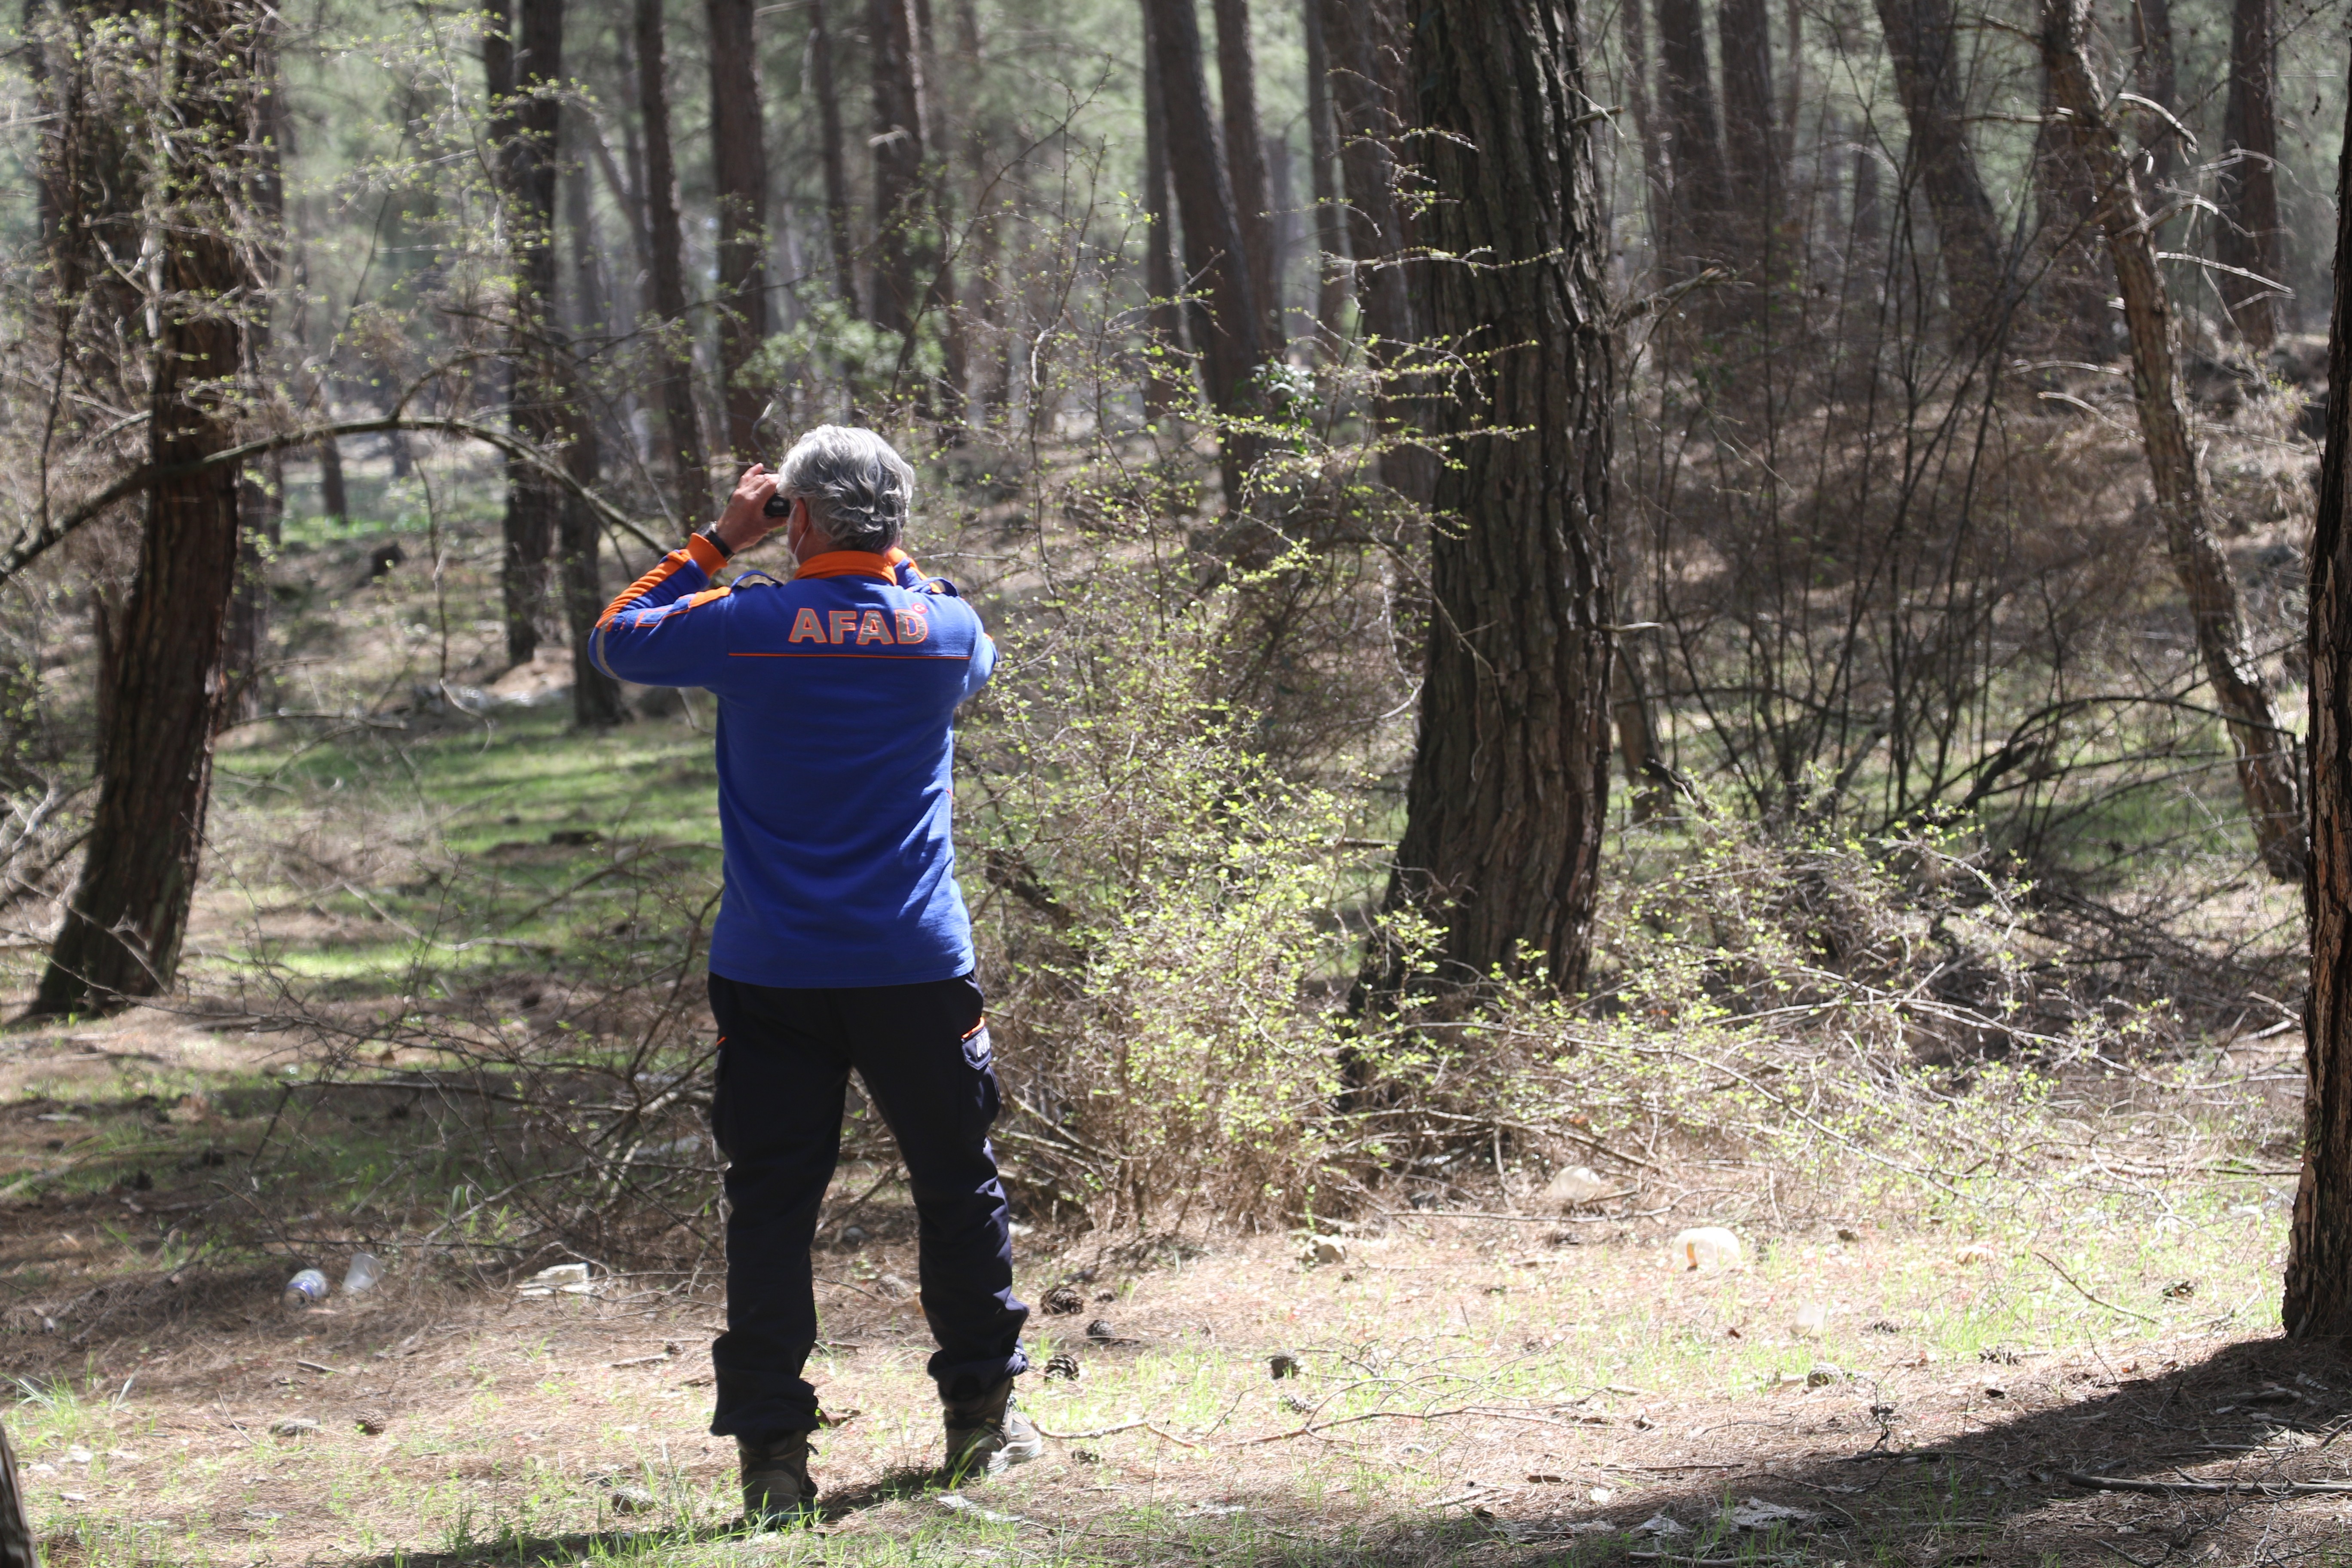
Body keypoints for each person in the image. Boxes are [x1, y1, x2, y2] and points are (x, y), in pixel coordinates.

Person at [591, 426, 1035, 1522]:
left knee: (773, 1204)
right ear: (899, 518)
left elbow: (619, 639)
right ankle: (982, 1416)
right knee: (956, 1183)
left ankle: (774, 1463)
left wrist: (714, 544)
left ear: (795, 520)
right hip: (915, 968)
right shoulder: (948, 631)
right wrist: (887, 569)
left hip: (775, 974)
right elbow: (935, 608)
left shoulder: (745, 624)